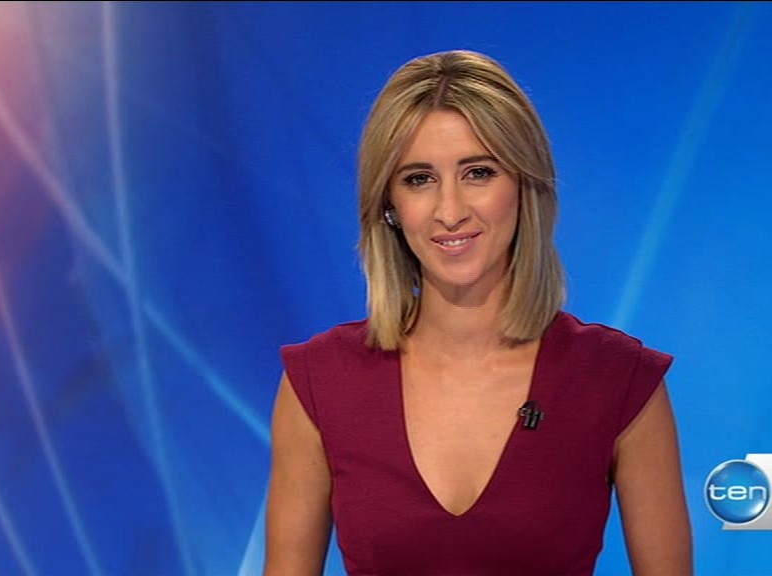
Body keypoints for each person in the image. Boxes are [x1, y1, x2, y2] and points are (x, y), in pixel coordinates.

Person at [264, 50, 692, 576]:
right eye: (419, 179)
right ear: (389, 205)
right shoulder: (320, 382)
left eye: (478, 172)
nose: (450, 211)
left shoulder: (620, 381)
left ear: (525, 185)